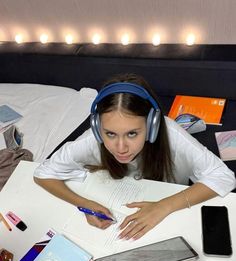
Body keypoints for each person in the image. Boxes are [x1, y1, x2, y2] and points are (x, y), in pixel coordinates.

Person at [34, 73, 236, 240]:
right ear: (97, 129)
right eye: (110, 134)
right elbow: (42, 173)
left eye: (132, 133)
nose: (120, 148)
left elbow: (224, 177)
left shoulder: (172, 134)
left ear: (152, 125)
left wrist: (164, 206)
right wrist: (84, 204)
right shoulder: (91, 140)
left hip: (170, 211)